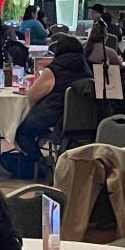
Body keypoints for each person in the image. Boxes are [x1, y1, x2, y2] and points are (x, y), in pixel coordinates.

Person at [15, 36, 93, 174]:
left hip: (55, 116)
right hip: (81, 121)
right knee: (36, 129)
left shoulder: (53, 70)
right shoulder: (87, 69)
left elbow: (32, 95)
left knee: (21, 132)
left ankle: (43, 165)